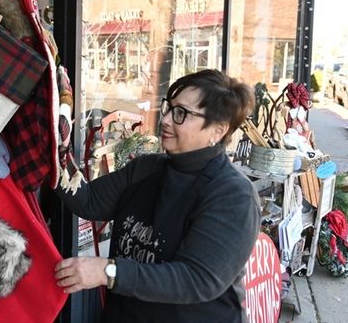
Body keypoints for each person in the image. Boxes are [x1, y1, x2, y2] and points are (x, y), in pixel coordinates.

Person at [54, 69, 260, 323]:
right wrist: (55, 148)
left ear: (218, 130)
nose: (166, 120)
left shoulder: (233, 195)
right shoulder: (146, 169)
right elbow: (88, 200)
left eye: (181, 114)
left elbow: (196, 279)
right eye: (169, 108)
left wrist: (107, 271)